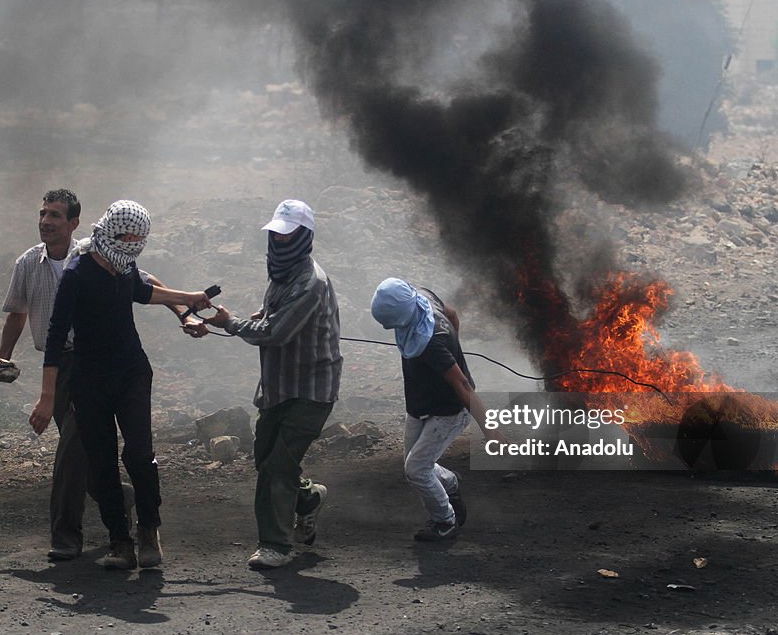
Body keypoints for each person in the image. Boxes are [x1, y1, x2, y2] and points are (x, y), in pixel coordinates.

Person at [29, 200, 211, 571]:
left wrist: (187, 300)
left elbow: (146, 291)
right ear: (110, 232)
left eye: (136, 240)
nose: (130, 246)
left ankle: (148, 529)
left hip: (131, 373)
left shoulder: (123, 266)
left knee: (140, 455)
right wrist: (47, 397)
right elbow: (55, 334)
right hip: (89, 380)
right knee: (102, 462)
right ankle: (119, 540)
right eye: (126, 238)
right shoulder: (78, 274)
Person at [0, 189, 144, 562]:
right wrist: (3, 356)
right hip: (56, 367)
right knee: (86, 448)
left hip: (92, 362)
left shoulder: (92, 257)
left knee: (72, 446)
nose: (46, 221)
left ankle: (65, 536)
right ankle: (120, 498)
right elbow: (18, 312)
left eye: (55, 215)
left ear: (74, 224)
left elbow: (141, 283)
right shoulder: (28, 263)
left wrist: (183, 302)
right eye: (43, 213)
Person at [196, 199, 342, 570]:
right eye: (275, 235)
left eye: (286, 235)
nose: (278, 242)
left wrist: (231, 323)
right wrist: (251, 318)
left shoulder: (310, 282)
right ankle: (307, 499)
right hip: (279, 385)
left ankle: (274, 545)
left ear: (304, 237)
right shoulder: (282, 274)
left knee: (279, 464)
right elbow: (273, 317)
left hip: (311, 389)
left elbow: (276, 331)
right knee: (266, 457)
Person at [370, 278, 507, 541]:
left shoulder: (431, 343)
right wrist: (455, 348)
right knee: (414, 465)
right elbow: (452, 313)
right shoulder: (421, 296)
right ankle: (450, 483)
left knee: (417, 469)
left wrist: (491, 430)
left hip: (448, 410)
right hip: (420, 402)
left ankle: (445, 520)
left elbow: (464, 385)